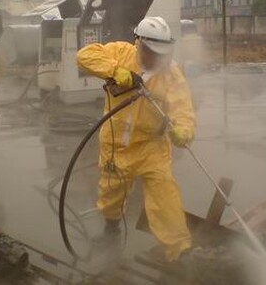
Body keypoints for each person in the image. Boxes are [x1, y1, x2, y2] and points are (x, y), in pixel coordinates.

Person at [76, 16, 195, 262]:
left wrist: (184, 131)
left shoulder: (171, 73)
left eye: (160, 53)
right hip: (116, 144)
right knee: (111, 193)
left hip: (152, 145)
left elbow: (183, 108)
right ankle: (111, 229)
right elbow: (85, 56)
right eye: (149, 51)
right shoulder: (120, 53)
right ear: (138, 42)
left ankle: (180, 249)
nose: (154, 57)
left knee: (164, 195)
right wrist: (115, 71)